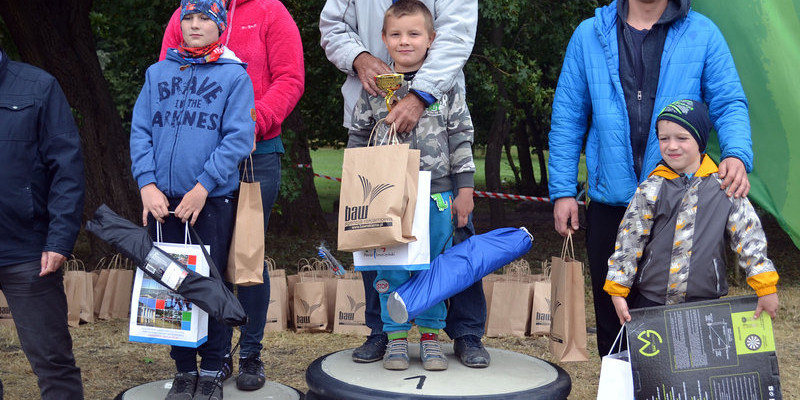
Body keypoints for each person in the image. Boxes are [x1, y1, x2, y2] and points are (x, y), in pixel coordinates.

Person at [547, 0, 754, 357]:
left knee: (680, 331)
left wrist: (735, 153)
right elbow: (568, 117)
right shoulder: (588, 35)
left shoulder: (703, 33)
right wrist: (564, 190)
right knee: (615, 328)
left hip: (681, 205)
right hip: (610, 205)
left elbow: (729, 102)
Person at [320, 0, 491, 369]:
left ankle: (441, 336)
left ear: (430, 39)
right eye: (396, 35)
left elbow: (461, 137)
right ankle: (392, 336)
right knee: (389, 267)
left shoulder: (447, 90)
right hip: (384, 194)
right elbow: (358, 137)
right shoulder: (373, 92)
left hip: (437, 194)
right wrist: (355, 189)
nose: (405, 41)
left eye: (414, 34)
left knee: (437, 267)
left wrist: (464, 189)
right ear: (383, 39)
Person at [159, 0, 305, 391]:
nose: (194, 24)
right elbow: (169, 78)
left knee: (247, 254)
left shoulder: (271, 11)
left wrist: (252, 122)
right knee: (206, 259)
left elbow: (290, 78)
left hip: (256, 154)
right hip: (197, 156)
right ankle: (215, 356)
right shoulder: (187, 12)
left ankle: (250, 354)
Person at [130, 1, 255, 398]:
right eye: (189, 18)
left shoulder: (234, 76)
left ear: (220, 26)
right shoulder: (157, 73)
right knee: (171, 285)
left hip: (208, 201)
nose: (196, 25)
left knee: (210, 286)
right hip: (161, 203)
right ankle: (184, 370)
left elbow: (238, 138)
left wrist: (203, 187)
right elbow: (140, 130)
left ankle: (214, 369)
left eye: (205, 18)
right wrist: (147, 184)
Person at [604, 99, 779, 324]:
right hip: (652, 301)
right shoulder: (651, 188)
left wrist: (765, 287)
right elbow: (629, 240)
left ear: (700, 140)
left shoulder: (725, 187)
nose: (672, 146)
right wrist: (618, 289)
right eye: (664, 138)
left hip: (706, 302)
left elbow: (749, 237)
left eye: (682, 138)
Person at [0, 47, 85, 399]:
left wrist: (59, 239)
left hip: (28, 250)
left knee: (52, 361)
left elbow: (67, 168)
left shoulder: (38, 86)